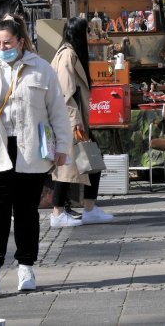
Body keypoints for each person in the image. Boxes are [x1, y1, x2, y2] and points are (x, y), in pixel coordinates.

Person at [0, 16, 72, 294]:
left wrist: (63, 147)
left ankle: (26, 268)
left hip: (31, 151)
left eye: (7, 42)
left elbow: (58, 112)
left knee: (25, 212)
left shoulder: (41, 70)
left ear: (20, 41)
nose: (2, 47)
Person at [50, 17, 114, 228]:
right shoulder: (67, 54)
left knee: (92, 161)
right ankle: (58, 212)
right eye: (87, 32)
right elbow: (66, 93)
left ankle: (89, 208)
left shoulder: (70, 53)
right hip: (70, 120)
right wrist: (75, 121)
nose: (90, 36)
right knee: (66, 167)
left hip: (75, 120)